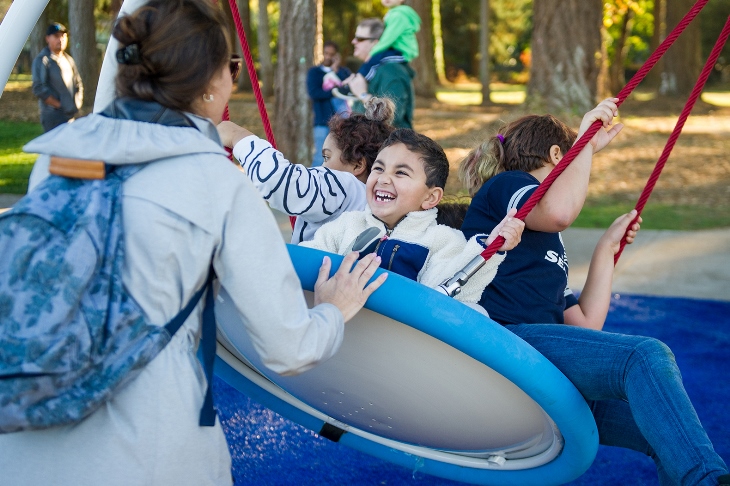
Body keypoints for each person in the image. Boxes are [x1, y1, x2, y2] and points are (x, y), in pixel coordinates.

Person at [0, 1, 387, 485]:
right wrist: (333, 309)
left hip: (21, 439)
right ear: (210, 83)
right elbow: (289, 349)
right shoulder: (216, 186)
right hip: (148, 449)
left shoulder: (57, 159)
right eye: (231, 67)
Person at [459, 100, 729, 485]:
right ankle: (707, 480)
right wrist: (584, 144)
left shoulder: (546, 246)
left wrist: (607, 249)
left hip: (543, 368)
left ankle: (696, 473)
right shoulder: (508, 186)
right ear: (557, 154)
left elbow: (585, 326)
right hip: (506, 346)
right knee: (645, 354)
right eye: (570, 157)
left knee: (664, 427)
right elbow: (558, 211)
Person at [301, 128, 524, 306]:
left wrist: (488, 248)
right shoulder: (347, 226)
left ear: (430, 197)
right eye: (378, 169)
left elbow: (454, 293)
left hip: (405, 342)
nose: (384, 179)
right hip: (347, 333)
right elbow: (306, 261)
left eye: (400, 173)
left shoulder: (442, 242)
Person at [218, 97, 396, 244]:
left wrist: (237, 136)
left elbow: (279, 181)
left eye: (327, 157)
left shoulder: (345, 185)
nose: (321, 167)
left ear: (357, 165)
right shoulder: (370, 201)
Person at [347, 18, 415, 129]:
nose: (353, 41)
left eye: (360, 39)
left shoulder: (392, 70)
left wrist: (362, 94)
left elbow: (394, 117)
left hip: (393, 144)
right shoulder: (373, 70)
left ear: (375, 42)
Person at [348, 0, 420, 86]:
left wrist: (372, 52)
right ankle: (357, 81)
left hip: (400, 51)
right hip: (395, 49)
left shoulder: (399, 16)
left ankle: (359, 82)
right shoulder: (393, 13)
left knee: (373, 61)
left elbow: (388, 38)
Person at [31, 22, 83, 132]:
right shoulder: (42, 60)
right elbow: (39, 89)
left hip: (70, 117)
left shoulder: (68, 59)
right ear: (47, 39)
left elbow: (78, 84)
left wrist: (76, 104)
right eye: (56, 36)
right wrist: (59, 105)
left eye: (63, 36)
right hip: (52, 117)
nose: (61, 39)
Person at [306, 40, 352, 166]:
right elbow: (314, 93)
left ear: (336, 55)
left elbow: (348, 90)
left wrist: (336, 70)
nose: (328, 57)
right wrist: (335, 91)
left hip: (342, 122)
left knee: (343, 157)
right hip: (322, 121)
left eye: (332, 54)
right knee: (320, 157)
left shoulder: (343, 72)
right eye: (326, 53)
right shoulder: (315, 72)